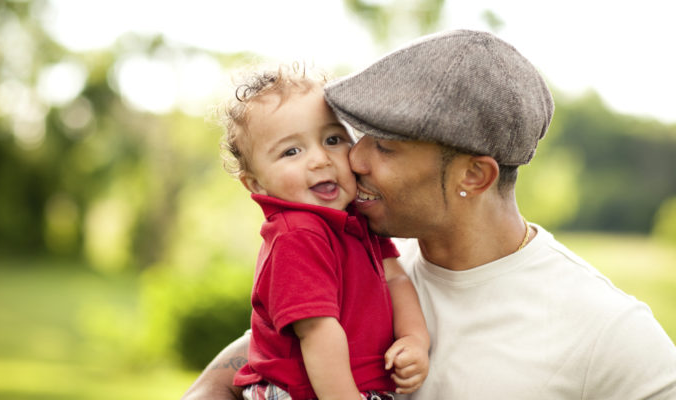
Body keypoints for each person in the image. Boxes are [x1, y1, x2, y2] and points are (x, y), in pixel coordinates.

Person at [183, 30, 676, 399]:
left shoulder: (608, 332)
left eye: (387, 148)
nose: (353, 160)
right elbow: (252, 358)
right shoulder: (362, 254)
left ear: (474, 176)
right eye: (359, 137)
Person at [216, 64, 429, 400]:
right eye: (291, 151)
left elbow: (396, 279)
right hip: (301, 390)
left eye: (332, 139)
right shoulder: (297, 234)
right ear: (257, 183)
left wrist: (414, 338)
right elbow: (317, 330)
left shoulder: (356, 220)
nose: (319, 159)